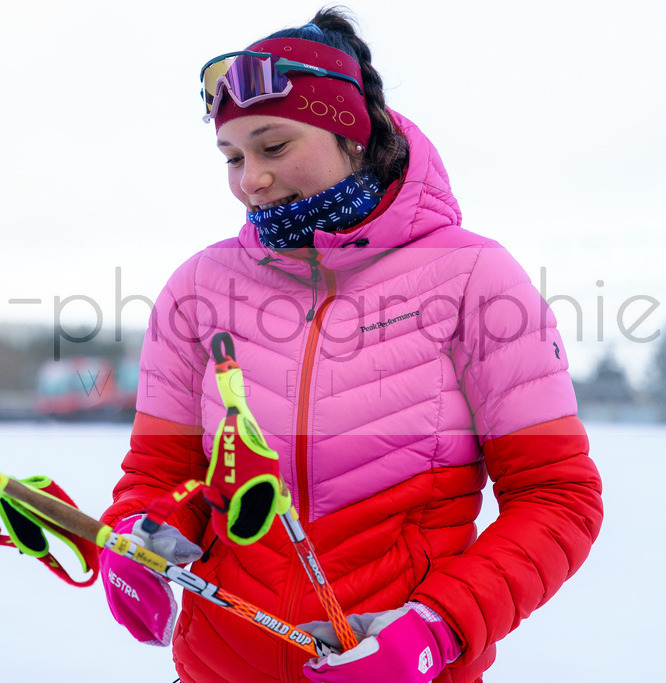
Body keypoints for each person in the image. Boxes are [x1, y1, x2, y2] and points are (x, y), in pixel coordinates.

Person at [99, 8, 603, 682]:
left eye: (273, 147)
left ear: (352, 134)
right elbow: (164, 472)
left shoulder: (475, 279)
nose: (250, 178)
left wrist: (437, 627)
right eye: (233, 156)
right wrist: (139, 534)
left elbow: (557, 497)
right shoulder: (198, 288)